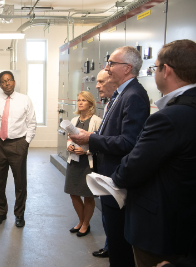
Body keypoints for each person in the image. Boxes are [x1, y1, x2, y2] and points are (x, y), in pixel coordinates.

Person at [110, 40, 196, 267]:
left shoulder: (168, 117)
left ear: (165, 70)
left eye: (155, 66)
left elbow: (130, 169)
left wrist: (118, 170)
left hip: (161, 229)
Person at [70, 46, 150, 267]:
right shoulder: (121, 95)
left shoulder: (134, 96)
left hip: (117, 177)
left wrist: (91, 140)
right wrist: (93, 137)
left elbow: (129, 142)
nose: (107, 67)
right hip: (108, 177)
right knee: (113, 236)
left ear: (127, 68)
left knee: (119, 243)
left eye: (111, 63)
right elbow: (113, 134)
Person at [0, 70, 36, 228]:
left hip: (17, 144)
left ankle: (19, 214)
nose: (6, 83)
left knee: (20, 182)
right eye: (3, 81)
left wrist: (25, 143)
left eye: (9, 80)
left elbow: (32, 122)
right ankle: (0, 213)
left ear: (14, 81)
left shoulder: (25, 100)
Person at [65, 91, 101, 237]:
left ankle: (86, 224)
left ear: (90, 103)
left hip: (88, 163)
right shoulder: (73, 121)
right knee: (73, 193)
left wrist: (86, 152)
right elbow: (69, 138)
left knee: (88, 195)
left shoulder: (96, 121)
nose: (80, 102)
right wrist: (69, 145)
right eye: (79, 100)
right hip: (74, 161)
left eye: (84, 100)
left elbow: (101, 143)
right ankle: (81, 221)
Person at [91, 69, 117, 258]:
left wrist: (91, 139)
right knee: (107, 215)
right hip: (104, 167)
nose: (97, 85)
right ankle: (110, 244)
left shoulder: (128, 100)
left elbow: (126, 141)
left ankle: (113, 246)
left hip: (114, 169)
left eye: (101, 81)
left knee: (114, 216)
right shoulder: (110, 104)